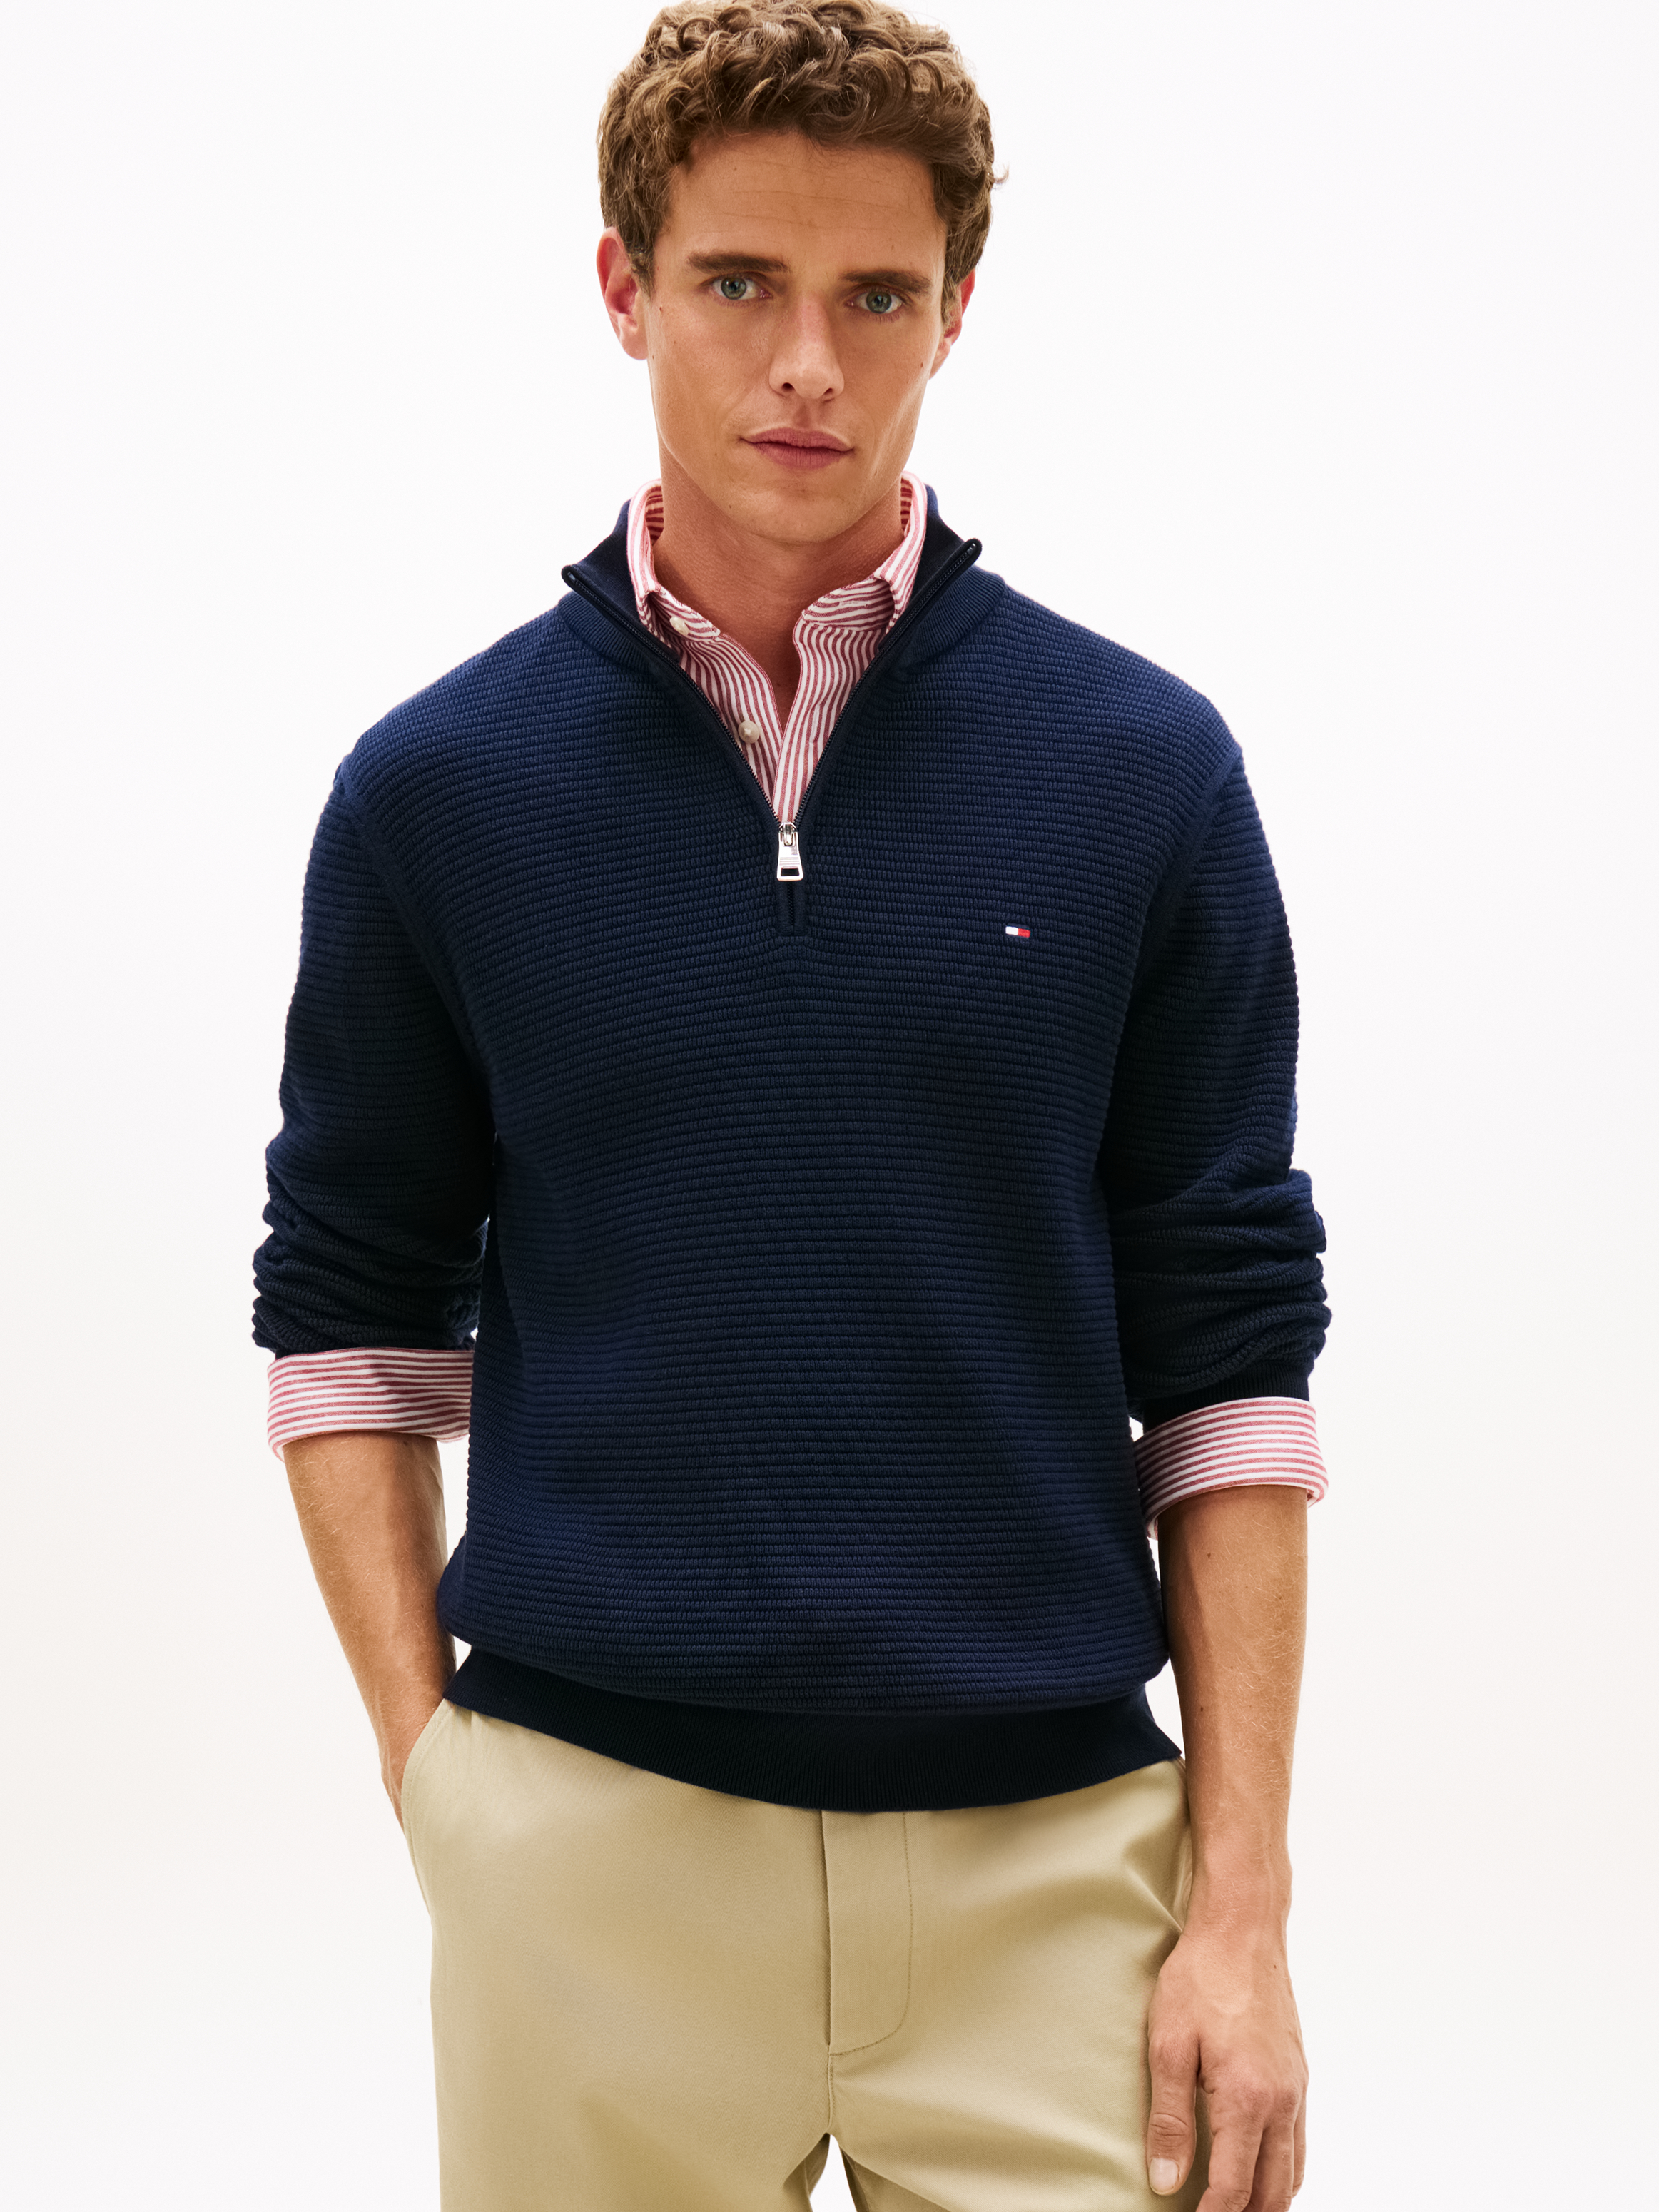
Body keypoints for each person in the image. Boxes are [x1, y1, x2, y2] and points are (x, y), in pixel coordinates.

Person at [253, 5, 1330, 2208]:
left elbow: (1231, 1364)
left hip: (1059, 1870)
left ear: (960, 307)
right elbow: (346, 1319)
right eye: (740, 282)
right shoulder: (437, 795)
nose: (810, 366)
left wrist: (1241, 1901)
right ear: (625, 285)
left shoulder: (1145, 775)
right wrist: (439, 1778)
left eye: (879, 296)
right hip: (590, 1858)